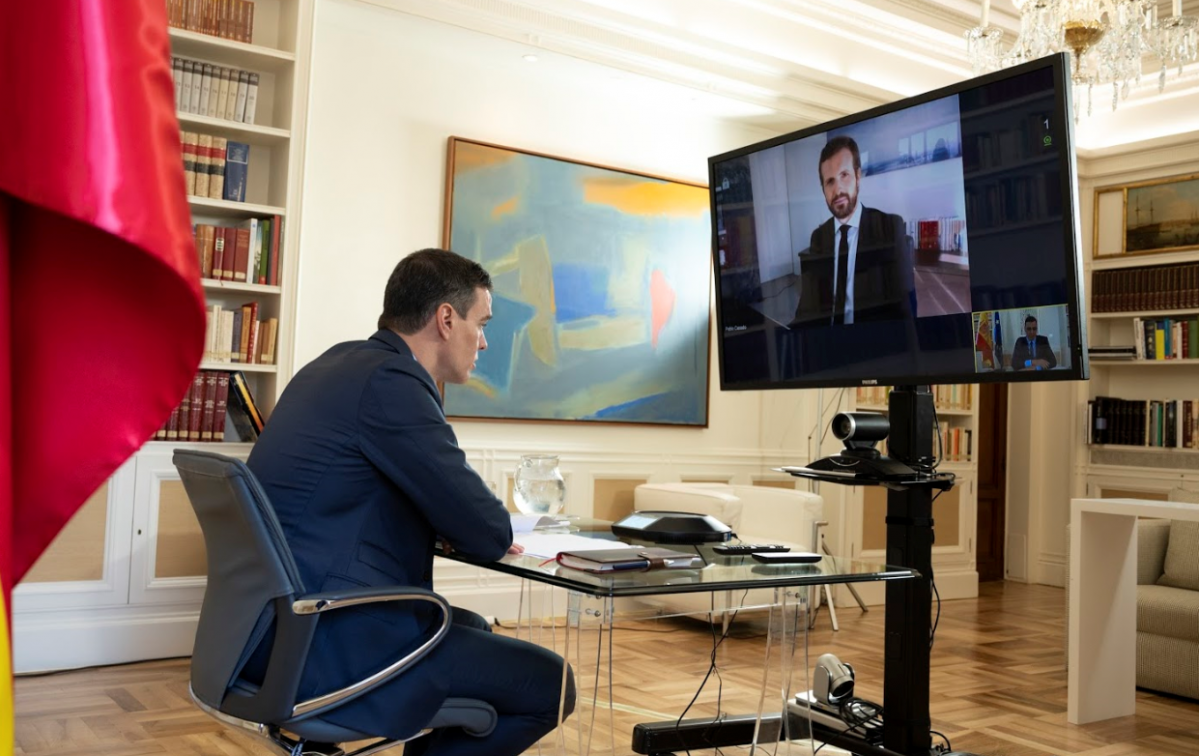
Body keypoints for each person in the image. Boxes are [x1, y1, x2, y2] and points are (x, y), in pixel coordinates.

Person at [245, 248, 575, 755]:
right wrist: (461, 522)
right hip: (329, 646)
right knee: (553, 686)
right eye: (481, 324)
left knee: (471, 627)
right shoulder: (393, 384)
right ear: (446, 319)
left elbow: (357, 492)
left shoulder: (336, 364)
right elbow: (488, 531)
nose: (484, 341)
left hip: (271, 632)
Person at [792, 135, 915, 327]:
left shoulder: (889, 227)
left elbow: (905, 312)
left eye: (844, 175)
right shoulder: (818, 237)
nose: (837, 189)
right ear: (823, 190)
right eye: (830, 181)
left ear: (858, 177)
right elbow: (806, 310)